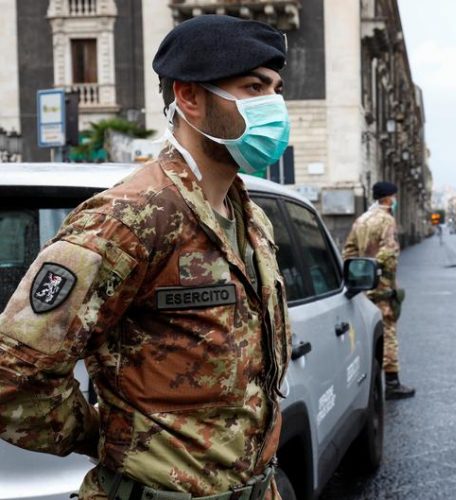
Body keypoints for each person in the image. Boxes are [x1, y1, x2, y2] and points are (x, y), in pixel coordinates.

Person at [0, 15, 292, 499]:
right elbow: (13, 374)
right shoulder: (131, 217)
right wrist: (104, 437)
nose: (275, 106)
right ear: (189, 97)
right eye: (254, 87)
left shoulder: (250, 217)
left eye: (277, 89)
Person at [343, 182, 415, 400]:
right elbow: (389, 253)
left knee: (367, 331)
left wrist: (360, 271)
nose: (394, 201)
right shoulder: (386, 220)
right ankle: (392, 383)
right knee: (388, 333)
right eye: (394, 197)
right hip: (382, 284)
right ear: (388, 198)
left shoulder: (361, 219)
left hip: (363, 285)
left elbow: (349, 251)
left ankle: (367, 381)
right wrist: (382, 275)